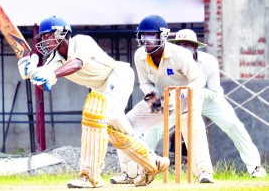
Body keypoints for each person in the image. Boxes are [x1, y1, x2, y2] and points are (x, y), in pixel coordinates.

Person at [17, 16, 169, 188]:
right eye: (42, 38)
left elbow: (76, 64)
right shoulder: (55, 59)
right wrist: (34, 74)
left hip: (117, 75)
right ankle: (153, 162)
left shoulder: (81, 41)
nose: (43, 40)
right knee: (111, 128)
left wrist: (51, 74)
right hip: (100, 88)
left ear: (61, 32)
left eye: (46, 36)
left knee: (98, 116)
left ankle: (90, 176)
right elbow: (46, 85)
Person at [110, 15, 214, 184]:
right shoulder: (140, 55)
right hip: (161, 100)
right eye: (143, 35)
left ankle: (203, 173)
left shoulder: (179, 54)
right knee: (125, 125)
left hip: (187, 98)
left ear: (163, 35)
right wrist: (154, 98)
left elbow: (198, 80)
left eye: (150, 34)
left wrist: (181, 95)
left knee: (193, 130)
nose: (145, 39)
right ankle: (130, 173)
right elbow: (145, 83)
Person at [167, 29, 267, 177]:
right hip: (181, 101)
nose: (184, 48)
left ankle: (255, 168)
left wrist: (198, 92)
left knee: (234, 126)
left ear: (195, 47)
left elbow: (214, 92)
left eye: (187, 44)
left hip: (208, 98)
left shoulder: (208, 61)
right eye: (180, 44)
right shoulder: (170, 62)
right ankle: (142, 168)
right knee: (156, 127)